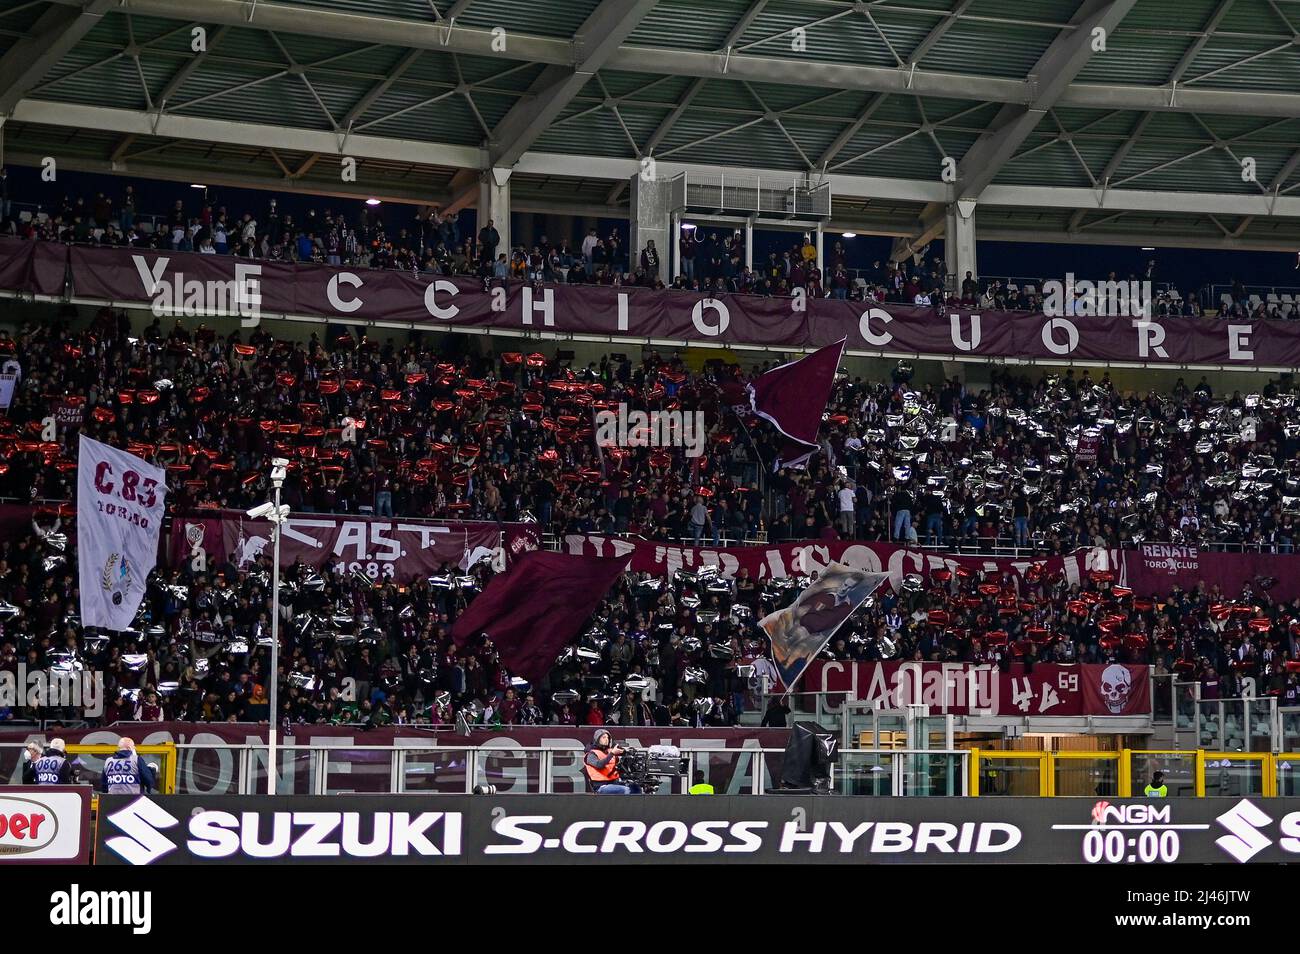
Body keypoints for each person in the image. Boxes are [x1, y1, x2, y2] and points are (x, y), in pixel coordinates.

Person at [584, 728, 638, 794]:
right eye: (603, 737)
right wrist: (612, 754)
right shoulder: (591, 754)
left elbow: (618, 766)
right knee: (626, 790)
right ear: (597, 739)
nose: (606, 739)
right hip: (601, 786)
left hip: (615, 782)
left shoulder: (610, 751)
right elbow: (599, 765)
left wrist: (625, 752)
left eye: (607, 738)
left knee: (636, 788)